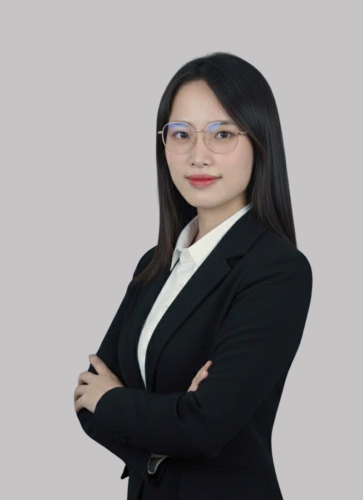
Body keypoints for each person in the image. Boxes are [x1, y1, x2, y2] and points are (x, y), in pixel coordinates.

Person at [74, 51, 313, 500]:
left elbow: (205, 425)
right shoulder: (155, 263)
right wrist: (168, 423)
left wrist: (117, 401)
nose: (198, 156)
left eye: (222, 134)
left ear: (259, 140)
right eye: (181, 134)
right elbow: (87, 396)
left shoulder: (276, 270)